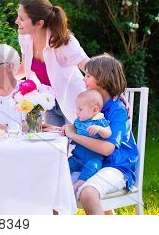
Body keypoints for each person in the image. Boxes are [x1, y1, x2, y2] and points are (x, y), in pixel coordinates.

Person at [63, 54, 138, 215]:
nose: (84, 79)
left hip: (117, 166)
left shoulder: (118, 110)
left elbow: (107, 149)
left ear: (103, 79)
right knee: (55, 185)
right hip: (94, 163)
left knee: (88, 193)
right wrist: (62, 129)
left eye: (88, 76)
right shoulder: (95, 105)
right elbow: (82, 128)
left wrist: (74, 136)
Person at [15, 0, 89, 127]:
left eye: (22, 18)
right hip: (50, 103)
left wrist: (114, 90)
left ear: (39, 23)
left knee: (74, 144)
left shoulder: (65, 42)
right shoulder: (25, 38)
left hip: (76, 103)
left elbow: (91, 68)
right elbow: (22, 70)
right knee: (53, 144)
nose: (16, 21)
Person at [69, 89, 111, 193]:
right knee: (67, 164)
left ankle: (79, 183)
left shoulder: (100, 121)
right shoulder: (78, 122)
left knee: (93, 167)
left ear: (95, 110)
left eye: (80, 109)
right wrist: (65, 131)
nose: (77, 112)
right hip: (76, 157)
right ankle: (63, 180)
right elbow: (72, 130)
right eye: (77, 109)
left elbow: (108, 133)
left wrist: (100, 129)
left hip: (93, 158)